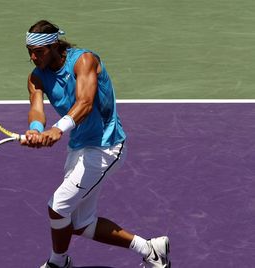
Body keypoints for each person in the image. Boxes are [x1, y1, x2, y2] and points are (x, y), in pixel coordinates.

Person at [21, 20, 171, 268]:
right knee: (81, 223)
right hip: (79, 146)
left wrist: (58, 129)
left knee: (57, 208)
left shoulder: (84, 61)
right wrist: (35, 130)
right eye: (30, 52)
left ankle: (58, 263)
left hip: (106, 145)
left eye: (39, 51)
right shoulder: (36, 78)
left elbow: (85, 102)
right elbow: (36, 110)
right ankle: (151, 250)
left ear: (55, 45)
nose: (34, 57)